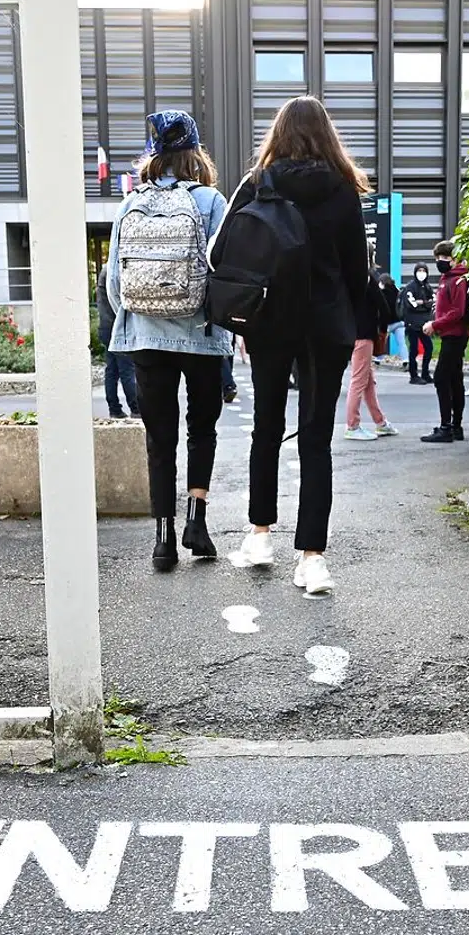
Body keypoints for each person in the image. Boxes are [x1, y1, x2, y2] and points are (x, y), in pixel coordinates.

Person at [214, 95, 370, 596]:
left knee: (266, 427)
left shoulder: (258, 183)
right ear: (327, 135)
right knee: (316, 438)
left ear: (278, 134)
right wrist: (360, 327)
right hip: (326, 326)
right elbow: (357, 272)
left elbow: (221, 253)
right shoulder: (343, 190)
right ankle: (312, 559)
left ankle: (260, 535)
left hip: (269, 322)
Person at [107, 110, 231, 571]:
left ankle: (163, 540)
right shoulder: (211, 201)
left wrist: (139, 317)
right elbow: (223, 271)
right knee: (202, 429)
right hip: (200, 334)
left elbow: (115, 282)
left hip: (145, 336)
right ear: (195, 152)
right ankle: (196, 522)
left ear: (153, 154)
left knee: (160, 438)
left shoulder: (131, 203)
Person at [344, 249, 399, 441]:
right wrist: (382, 330)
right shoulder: (368, 278)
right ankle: (352, 425)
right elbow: (384, 308)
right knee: (359, 380)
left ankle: (380, 422)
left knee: (368, 382)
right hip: (365, 334)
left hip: (352, 333)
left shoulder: (347, 277)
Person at [421, 240, 469, 443]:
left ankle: (446, 427)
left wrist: (435, 324)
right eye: (438, 258)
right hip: (451, 334)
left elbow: (457, 312)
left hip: (454, 335)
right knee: (454, 378)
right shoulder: (448, 279)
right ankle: (455, 426)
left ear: (454, 258)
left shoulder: (457, 280)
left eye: (444, 257)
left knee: (441, 378)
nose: (440, 261)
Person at [95, 266, 139, 419]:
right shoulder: (114, 271)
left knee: (112, 370)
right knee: (127, 369)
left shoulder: (105, 271)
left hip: (106, 327)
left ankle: (114, 409)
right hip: (117, 327)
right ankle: (136, 408)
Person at [400, 261, 435, 385]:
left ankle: (425, 373)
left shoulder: (427, 287)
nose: (421, 273)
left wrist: (422, 303)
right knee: (413, 349)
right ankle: (413, 375)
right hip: (412, 323)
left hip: (424, 323)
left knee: (429, 348)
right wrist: (425, 303)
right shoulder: (410, 287)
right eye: (419, 271)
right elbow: (412, 304)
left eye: (424, 271)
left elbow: (433, 302)